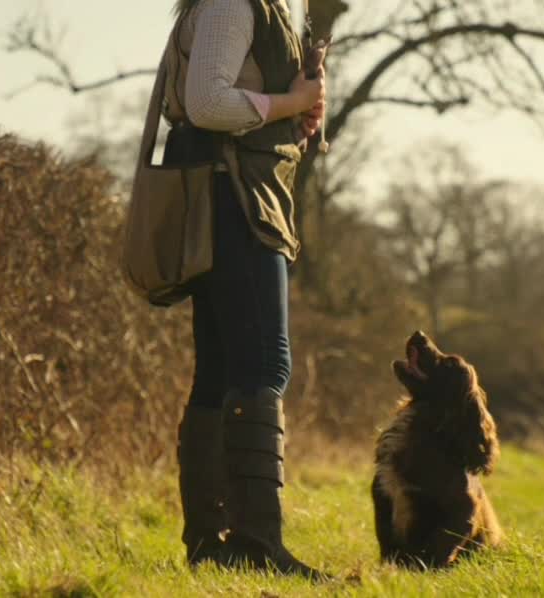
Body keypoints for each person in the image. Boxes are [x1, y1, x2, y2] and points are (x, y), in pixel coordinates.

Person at [163, 0, 326, 579]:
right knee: (263, 367)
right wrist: (290, 104)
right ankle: (258, 546)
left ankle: (213, 547)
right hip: (234, 200)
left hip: (233, 195)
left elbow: (236, 100)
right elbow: (207, 104)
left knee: (223, 371)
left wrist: (295, 119)